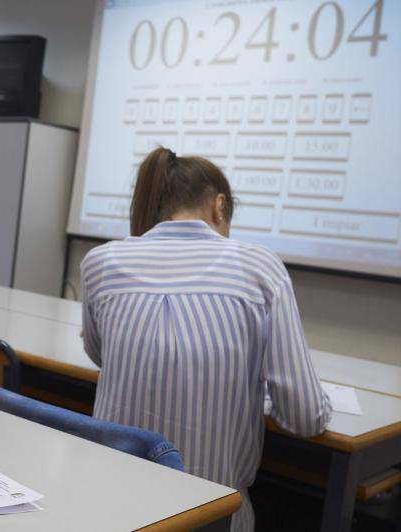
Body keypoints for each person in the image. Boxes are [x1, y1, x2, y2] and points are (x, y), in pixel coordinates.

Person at [80, 147, 331, 531]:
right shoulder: (260, 268)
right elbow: (303, 416)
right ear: (219, 206)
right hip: (210, 518)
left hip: (108, 512)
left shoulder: (100, 264)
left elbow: (100, 355)